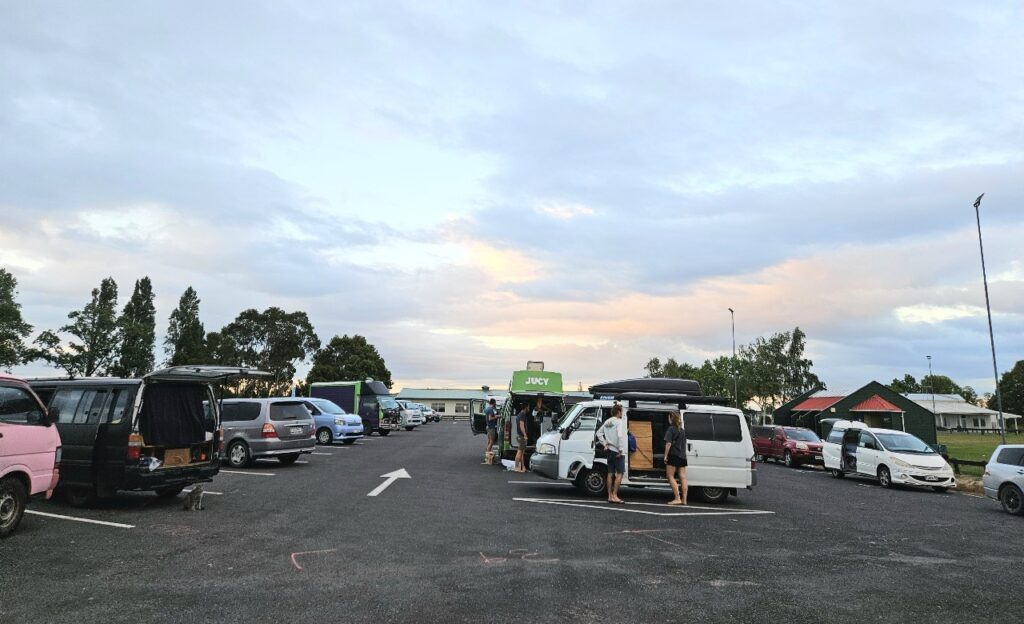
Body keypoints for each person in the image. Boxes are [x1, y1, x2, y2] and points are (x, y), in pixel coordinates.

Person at [596, 403, 627, 503]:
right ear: (618, 412)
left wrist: (604, 443)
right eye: (621, 411)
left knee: (610, 473)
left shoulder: (607, 421)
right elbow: (620, 435)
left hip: (609, 450)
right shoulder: (619, 421)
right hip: (617, 451)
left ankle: (609, 495)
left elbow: (598, 433)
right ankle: (615, 495)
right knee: (620, 473)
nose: (622, 413)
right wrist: (621, 449)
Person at [663, 410, 688, 505]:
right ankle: (684, 499)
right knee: (683, 477)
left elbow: (668, 443)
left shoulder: (671, 429)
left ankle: (677, 498)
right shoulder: (682, 430)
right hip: (683, 456)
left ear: (671, 418)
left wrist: (665, 456)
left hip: (674, 455)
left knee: (670, 476)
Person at [514, 404, 530, 473]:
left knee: (522, 452)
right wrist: (525, 435)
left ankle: (523, 467)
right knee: (520, 452)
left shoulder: (519, 414)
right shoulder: (522, 415)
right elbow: (521, 425)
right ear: (526, 407)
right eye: (528, 407)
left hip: (520, 435)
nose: (529, 408)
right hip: (521, 436)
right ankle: (516, 467)